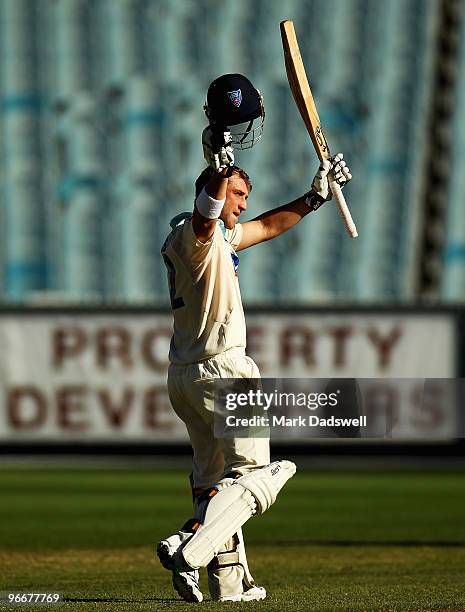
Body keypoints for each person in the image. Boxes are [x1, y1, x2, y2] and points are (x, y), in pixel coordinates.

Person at [157, 74, 352, 603]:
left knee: (215, 485)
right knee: (261, 475)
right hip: (221, 370)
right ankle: (188, 547)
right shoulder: (192, 236)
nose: (243, 204)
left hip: (186, 377)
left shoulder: (219, 237)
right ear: (219, 190)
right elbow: (206, 216)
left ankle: (226, 584)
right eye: (238, 193)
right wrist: (219, 172)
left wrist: (316, 196)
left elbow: (267, 226)